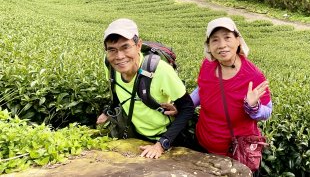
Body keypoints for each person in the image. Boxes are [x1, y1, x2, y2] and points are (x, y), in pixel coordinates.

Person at [96, 19, 194, 159]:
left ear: (138, 46)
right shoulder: (111, 66)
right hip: (136, 132)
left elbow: (187, 108)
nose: (119, 56)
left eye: (125, 47)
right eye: (112, 50)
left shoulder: (160, 71)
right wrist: (109, 110)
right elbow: (117, 90)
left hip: (166, 136)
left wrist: (161, 144)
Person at [192, 18, 272, 160]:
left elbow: (267, 111)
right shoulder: (207, 65)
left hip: (235, 153)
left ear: (238, 40)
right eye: (215, 40)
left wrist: (253, 106)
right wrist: (183, 105)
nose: (222, 45)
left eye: (227, 37)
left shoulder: (253, 75)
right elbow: (202, 89)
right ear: (209, 46)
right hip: (203, 144)